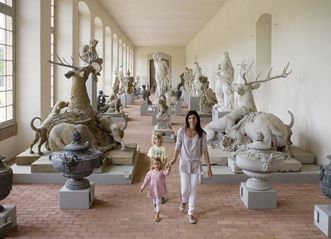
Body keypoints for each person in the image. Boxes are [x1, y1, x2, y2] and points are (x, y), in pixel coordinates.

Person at [170, 110, 212, 224]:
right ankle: (184, 201)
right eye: (189, 118)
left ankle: (191, 212)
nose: (191, 120)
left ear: (197, 119)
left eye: (194, 118)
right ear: (187, 120)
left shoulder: (202, 134)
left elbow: (205, 151)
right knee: (185, 189)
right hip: (184, 163)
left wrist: (209, 166)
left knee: (193, 189)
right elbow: (178, 147)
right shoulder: (181, 132)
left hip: (195, 164)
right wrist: (173, 159)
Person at [141, 157, 171, 222]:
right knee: (154, 201)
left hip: (159, 190)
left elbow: (167, 173)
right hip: (153, 189)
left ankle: (157, 214)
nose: (156, 165)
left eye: (158, 164)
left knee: (158, 202)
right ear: (152, 164)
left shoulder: (162, 172)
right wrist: (143, 186)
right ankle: (155, 206)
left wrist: (169, 169)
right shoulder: (150, 172)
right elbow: (146, 180)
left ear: (160, 164)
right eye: (155, 164)